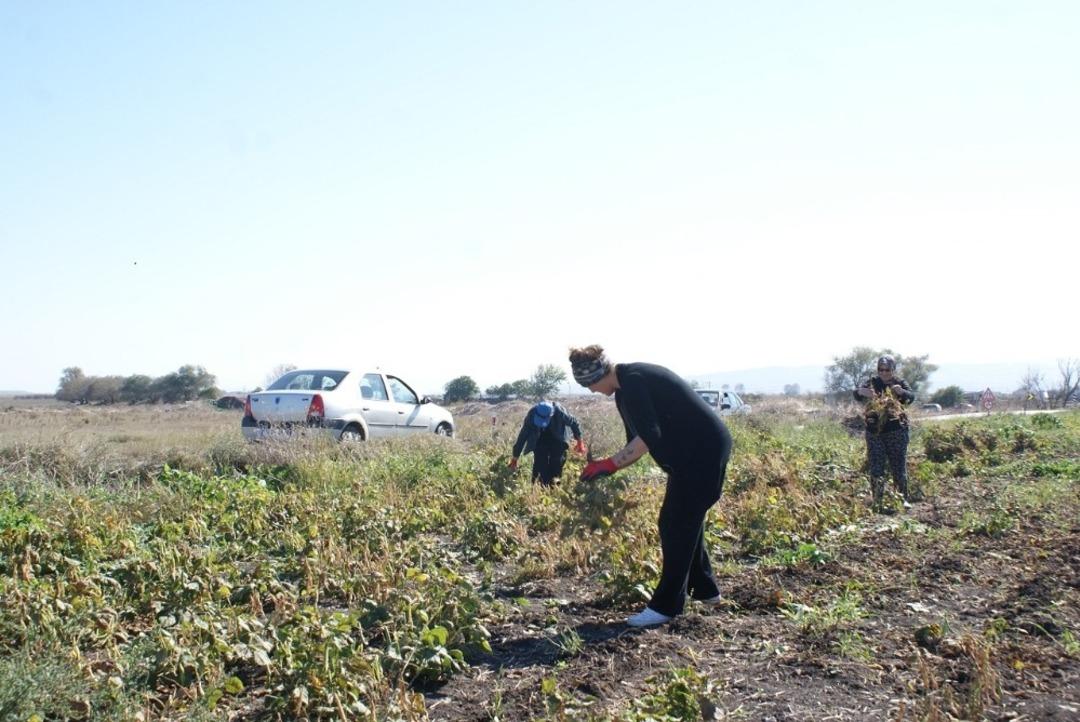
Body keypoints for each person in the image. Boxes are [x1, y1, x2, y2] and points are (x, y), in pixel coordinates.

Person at [570, 345, 733, 628]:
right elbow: (636, 442)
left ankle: (666, 606)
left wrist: (608, 465)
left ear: (598, 375)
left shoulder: (635, 382)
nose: (591, 391)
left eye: (589, 385)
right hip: (689, 459)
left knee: (676, 524)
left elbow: (648, 437)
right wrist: (608, 466)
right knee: (683, 522)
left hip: (703, 455)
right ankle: (705, 590)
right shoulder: (624, 390)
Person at [854, 355, 915, 508]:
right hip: (875, 433)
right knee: (876, 466)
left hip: (896, 431)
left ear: (893, 369)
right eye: (881, 369)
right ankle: (877, 501)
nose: (883, 372)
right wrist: (861, 392)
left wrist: (901, 392)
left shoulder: (899, 383)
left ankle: (902, 499)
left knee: (898, 465)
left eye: (887, 369)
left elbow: (911, 397)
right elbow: (856, 394)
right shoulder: (872, 383)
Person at [509, 401, 586, 486]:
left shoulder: (560, 412)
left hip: (558, 437)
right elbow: (523, 436)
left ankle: (554, 489)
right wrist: (515, 458)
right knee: (540, 465)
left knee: (557, 463)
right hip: (539, 438)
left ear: (551, 415)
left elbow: (574, 422)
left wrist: (580, 442)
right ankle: (538, 489)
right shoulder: (532, 414)